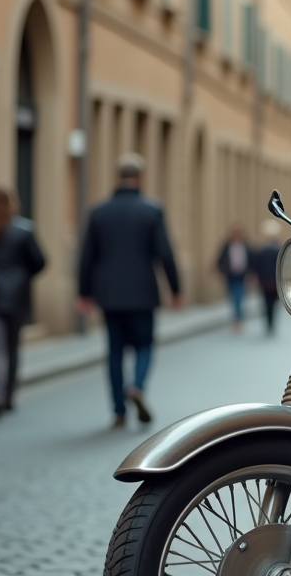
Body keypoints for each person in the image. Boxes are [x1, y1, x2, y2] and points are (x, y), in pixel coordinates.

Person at [78, 153, 181, 428]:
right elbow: (165, 253)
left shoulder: (98, 212)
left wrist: (84, 292)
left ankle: (118, 410)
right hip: (142, 293)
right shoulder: (152, 210)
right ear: (140, 177)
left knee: (114, 351)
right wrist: (175, 288)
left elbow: (87, 256)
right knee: (145, 345)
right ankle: (136, 386)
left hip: (109, 294)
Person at [0, 188, 46, 418]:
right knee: (12, 348)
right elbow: (39, 262)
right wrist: (22, 275)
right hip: (17, 297)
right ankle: (8, 394)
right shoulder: (24, 229)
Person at [247, 219, 281, 336]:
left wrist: (254, 277)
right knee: (272, 303)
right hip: (274, 281)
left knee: (267, 303)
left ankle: (269, 323)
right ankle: (271, 323)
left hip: (265, 281)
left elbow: (255, 266)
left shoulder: (261, 250)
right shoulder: (278, 250)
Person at [216, 226, 249, 333]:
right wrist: (222, 271)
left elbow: (251, 259)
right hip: (231, 275)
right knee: (234, 297)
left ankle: (237, 319)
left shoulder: (245, 245)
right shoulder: (227, 246)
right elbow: (220, 259)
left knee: (239, 296)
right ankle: (236, 317)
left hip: (241, 275)